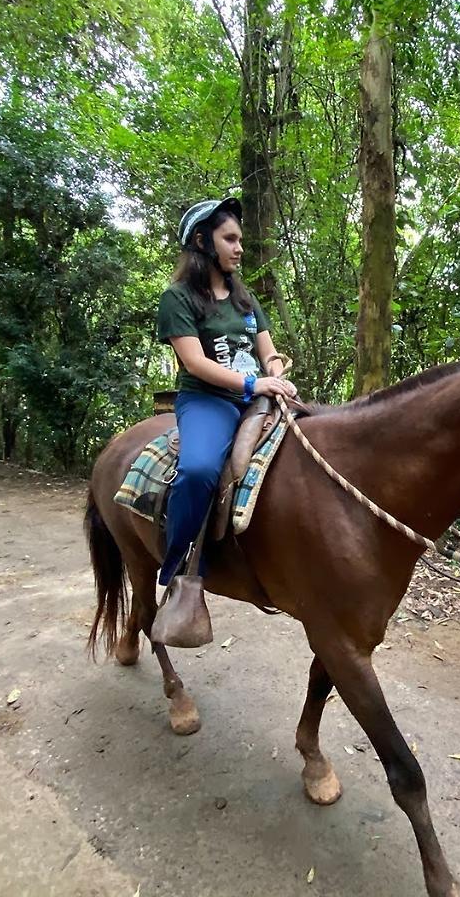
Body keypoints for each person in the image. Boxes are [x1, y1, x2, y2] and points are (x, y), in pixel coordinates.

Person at [152, 197, 295, 639]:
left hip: (257, 397)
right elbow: (194, 363)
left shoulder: (245, 298)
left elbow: (267, 350)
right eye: (229, 239)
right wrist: (253, 385)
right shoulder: (178, 298)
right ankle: (177, 566)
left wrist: (274, 369)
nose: (238, 248)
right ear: (202, 241)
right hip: (208, 401)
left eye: (240, 240)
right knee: (197, 470)